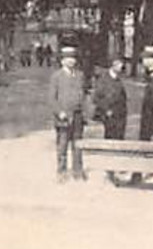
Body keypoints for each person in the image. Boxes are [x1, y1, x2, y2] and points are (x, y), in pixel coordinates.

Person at [47, 45, 87, 180]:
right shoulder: (56, 76)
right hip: (63, 117)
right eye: (67, 58)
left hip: (77, 116)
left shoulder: (80, 75)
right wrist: (59, 112)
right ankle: (62, 171)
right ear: (62, 61)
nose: (71, 61)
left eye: (73, 58)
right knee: (62, 145)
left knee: (78, 144)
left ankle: (78, 170)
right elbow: (52, 98)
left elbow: (83, 94)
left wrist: (84, 111)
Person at [90, 57, 129, 140]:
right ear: (112, 65)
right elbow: (96, 98)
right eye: (118, 64)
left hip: (120, 115)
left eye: (121, 64)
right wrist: (106, 110)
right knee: (110, 137)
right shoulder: (103, 79)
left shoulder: (118, 79)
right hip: (109, 115)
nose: (121, 66)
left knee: (119, 138)